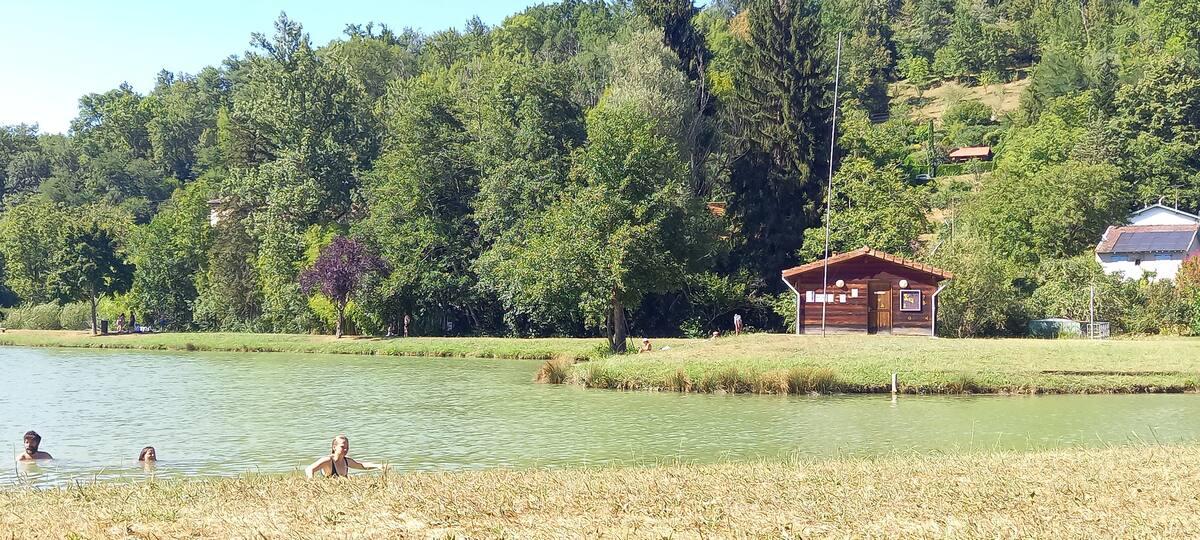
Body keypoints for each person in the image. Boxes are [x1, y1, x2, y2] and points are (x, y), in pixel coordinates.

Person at [305, 435, 385, 479]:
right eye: (342, 447)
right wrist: (311, 480)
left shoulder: (346, 461)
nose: (346, 449)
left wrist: (377, 466)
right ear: (334, 447)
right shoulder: (328, 461)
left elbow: (361, 465)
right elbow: (309, 469)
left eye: (347, 446)